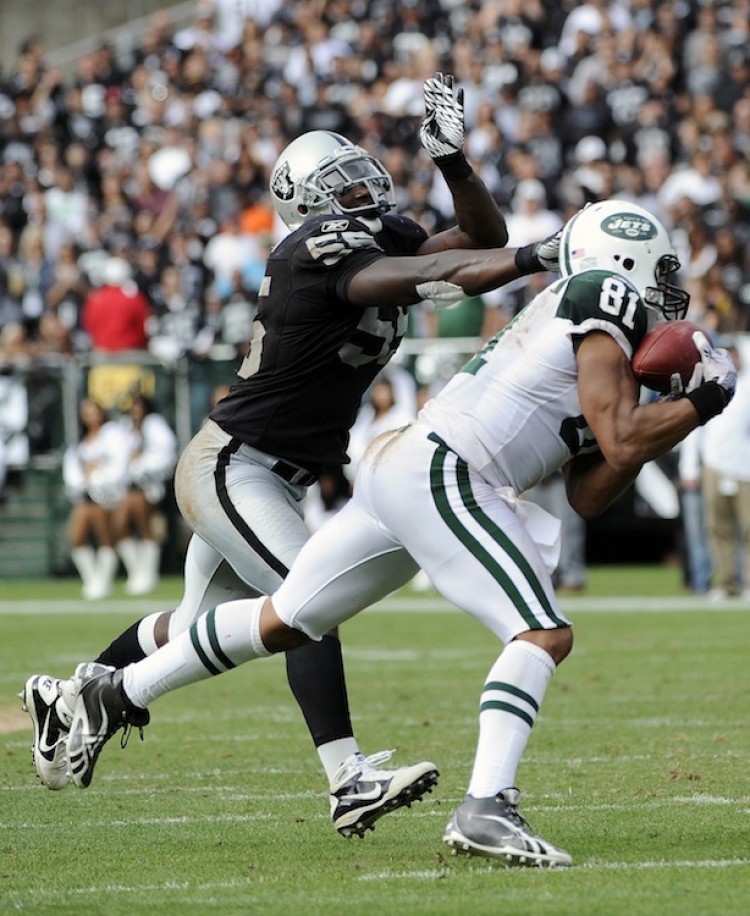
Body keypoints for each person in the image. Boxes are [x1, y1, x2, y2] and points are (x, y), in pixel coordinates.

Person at [63, 200, 737, 868]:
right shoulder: (606, 293)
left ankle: (115, 693)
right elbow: (620, 436)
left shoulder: (594, 324)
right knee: (542, 633)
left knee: (290, 618)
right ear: (622, 258)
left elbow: (594, 488)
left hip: (410, 464)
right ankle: (487, 806)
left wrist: (683, 412)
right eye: (663, 265)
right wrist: (703, 399)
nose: (669, 283)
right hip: (451, 470)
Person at [22, 75, 560, 838]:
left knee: (194, 624)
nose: (361, 189)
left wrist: (452, 162)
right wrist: (540, 256)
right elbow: (433, 273)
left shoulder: (368, 237)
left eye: (360, 174)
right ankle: (347, 780)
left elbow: (475, 239)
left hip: (271, 472)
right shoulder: (315, 247)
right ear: (306, 204)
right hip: (235, 463)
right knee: (308, 602)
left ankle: (75, 699)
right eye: (338, 184)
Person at [62, 398, 129, 600]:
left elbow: (119, 464)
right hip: (84, 495)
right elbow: (72, 470)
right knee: (76, 537)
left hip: (106, 495)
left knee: (105, 537)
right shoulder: (80, 442)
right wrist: (84, 479)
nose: (90, 417)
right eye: (86, 413)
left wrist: (97, 476)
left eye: (93, 411)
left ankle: (104, 580)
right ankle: (93, 580)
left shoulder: (112, 434)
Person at [112, 394, 178, 596]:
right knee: (120, 524)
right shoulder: (124, 428)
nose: (135, 411)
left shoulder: (154, 424)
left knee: (145, 526)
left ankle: (148, 574)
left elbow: (167, 451)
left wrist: (141, 463)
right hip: (126, 487)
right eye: (132, 407)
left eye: (139, 407)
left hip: (147, 486)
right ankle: (137, 572)